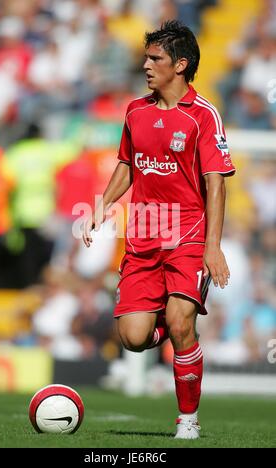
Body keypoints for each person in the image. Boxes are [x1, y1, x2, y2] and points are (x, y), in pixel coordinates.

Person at [83, 20, 235, 439]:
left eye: (156, 59)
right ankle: (170, 320)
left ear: (181, 64)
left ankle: (187, 419)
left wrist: (213, 246)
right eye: (146, 57)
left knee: (181, 322)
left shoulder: (203, 115)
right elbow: (127, 165)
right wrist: (102, 204)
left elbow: (215, 184)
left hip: (188, 235)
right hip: (144, 237)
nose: (146, 66)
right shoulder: (136, 111)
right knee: (133, 338)